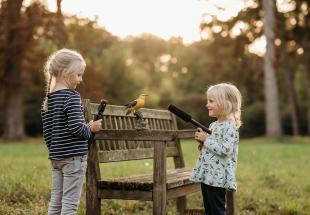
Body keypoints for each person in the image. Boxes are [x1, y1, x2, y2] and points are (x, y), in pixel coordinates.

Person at [41, 48, 102, 215]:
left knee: (56, 200)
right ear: (66, 73)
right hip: (74, 159)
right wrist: (91, 127)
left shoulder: (48, 99)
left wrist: (57, 149)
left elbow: (48, 134)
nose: (80, 80)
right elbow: (76, 128)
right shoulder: (71, 96)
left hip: (56, 158)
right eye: (79, 75)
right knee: (69, 203)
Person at [191, 83, 242, 215]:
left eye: (211, 101)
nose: (207, 104)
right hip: (208, 173)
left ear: (225, 103)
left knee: (217, 210)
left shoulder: (230, 126)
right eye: (208, 101)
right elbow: (211, 148)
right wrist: (202, 143)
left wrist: (206, 140)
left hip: (218, 176)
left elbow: (225, 150)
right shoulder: (213, 125)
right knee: (209, 209)